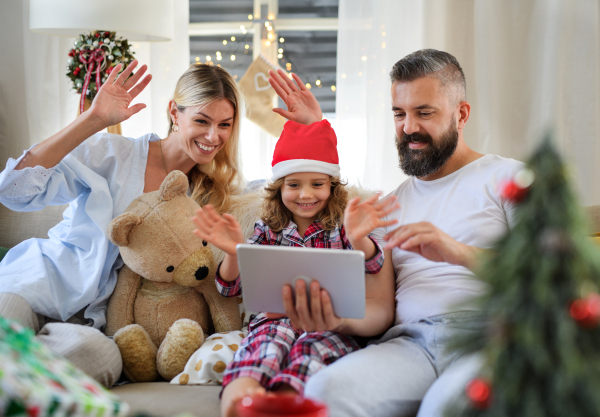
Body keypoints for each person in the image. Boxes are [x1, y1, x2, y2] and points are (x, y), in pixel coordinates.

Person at [267, 49, 524, 416]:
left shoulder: (509, 179)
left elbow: (553, 277)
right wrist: (334, 318)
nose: (408, 128)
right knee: (326, 390)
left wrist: (457, 252)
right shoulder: (386, 207)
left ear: (461, 114)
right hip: (411, 345)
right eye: (399, 113)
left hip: (488, 339)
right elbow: (380, 311)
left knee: (446, 408)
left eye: (424, 113)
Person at [0, 61, 246, 387]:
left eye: (224, 125)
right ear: (175, 112)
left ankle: (23, 379)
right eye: (202, 120)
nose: (213, 136)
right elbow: (14, 191)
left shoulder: (211, 197)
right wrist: (93, 120)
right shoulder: (115, 154)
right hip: (37, 284)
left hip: (96, 325)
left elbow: (210, 279)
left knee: (101, 362)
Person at [191, 120, 399, 417]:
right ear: (279, 188)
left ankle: (286, 405)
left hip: (328, 324)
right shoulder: (267, 229)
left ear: (332, 186)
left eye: (317, 184)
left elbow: (373, 263)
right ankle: (239, 405)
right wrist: (234, 254)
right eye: (294, 185)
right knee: (263, 348)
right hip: (274, 321)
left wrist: (359, 239)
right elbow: (229, 288)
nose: (305, 195)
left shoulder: (341, 229)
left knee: (312, 352)